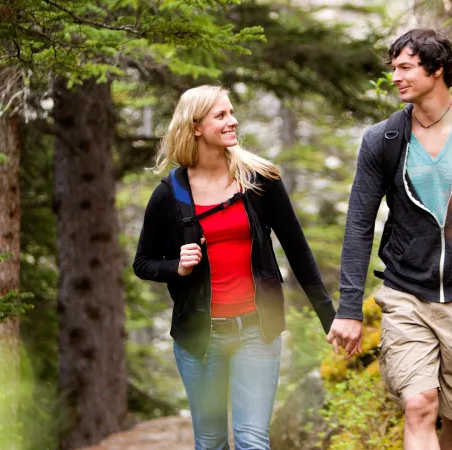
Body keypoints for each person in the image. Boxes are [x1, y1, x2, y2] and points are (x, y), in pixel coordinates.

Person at [328, 29, 452, 450]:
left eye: (406, 67)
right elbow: (358, 225)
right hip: (406, 294)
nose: (395, 76)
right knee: (419, 405)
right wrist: (349, 309)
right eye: (393, 68)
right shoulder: (383, 140)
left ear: (436, 70)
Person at [133, 85, 335, 450]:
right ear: (196, 127)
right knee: (211, 442)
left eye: (232, 112)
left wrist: (330, 318)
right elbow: (143, 263)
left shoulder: (259, 179)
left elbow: (297, 250)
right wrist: (177, 267)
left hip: (256, 331)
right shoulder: (170, 194)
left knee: (252, 440)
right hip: (199, 338)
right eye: (221, 115)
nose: (233, 121)